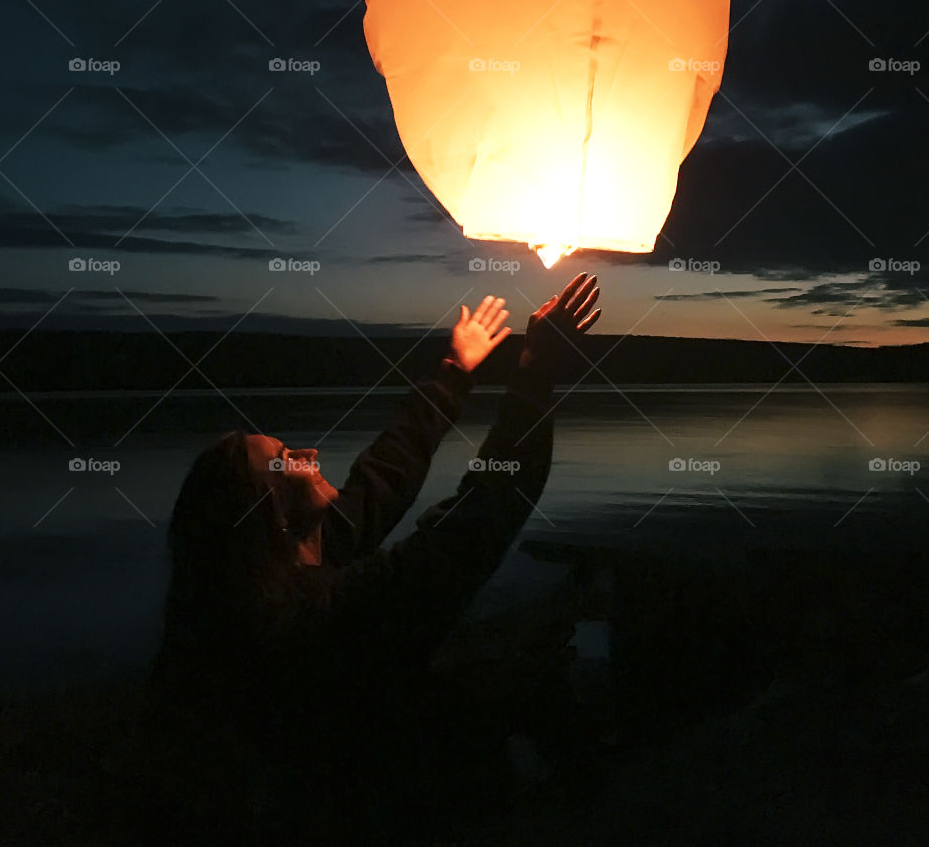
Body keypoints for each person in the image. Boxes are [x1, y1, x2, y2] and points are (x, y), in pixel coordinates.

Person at [147, 273, 601, 845]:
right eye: (286, 461)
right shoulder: (322, 617)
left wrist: (457, 372)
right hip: (372, 799)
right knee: (530, 681)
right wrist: (535, 375)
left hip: (351, 775)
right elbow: (478, 519)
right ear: (274, 520)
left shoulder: (285, 569)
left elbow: (384, 477)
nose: (308, 453)